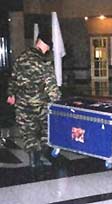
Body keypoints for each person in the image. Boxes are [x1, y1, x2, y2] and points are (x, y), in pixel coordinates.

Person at [7, 32, 61, 167]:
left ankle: (33, 160)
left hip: (22, 104)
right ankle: (41, 156)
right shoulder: (44, 62)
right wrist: (58, 102)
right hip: (41, 105)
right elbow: (51, 86)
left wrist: (11, 94)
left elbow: (13, 79)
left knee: (28, 132)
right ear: (47, 46)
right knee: (45, 130)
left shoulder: (21, 58)